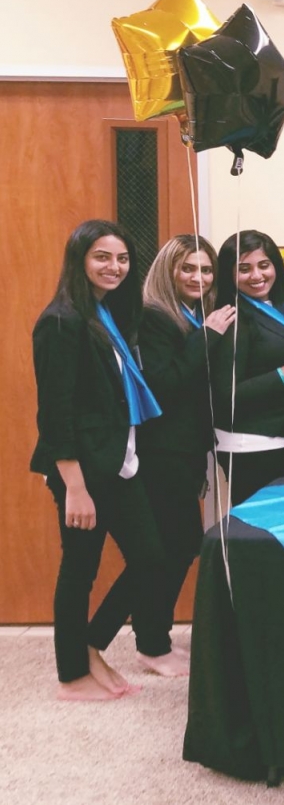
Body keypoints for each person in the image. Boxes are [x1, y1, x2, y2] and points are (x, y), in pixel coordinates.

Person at [30, 220, 176, 699]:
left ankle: (90, 644)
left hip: (119, 462)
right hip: (84, 471)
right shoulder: (61, 321)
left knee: (153, 559)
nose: (114, 267)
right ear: (80, 260)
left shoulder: (106, 315)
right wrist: (74, 485)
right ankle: (72, 676)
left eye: (122, 259)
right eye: (102, 257)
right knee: (79, 570)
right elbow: (55, 413)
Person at [83, 234, 236, 676]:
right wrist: (207, 336)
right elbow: (166, 383)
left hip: (184, 452)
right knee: (168, 549)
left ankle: (151, 640)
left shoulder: (192, 316)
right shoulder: (154, 317)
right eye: (188, 268)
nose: (198, 277)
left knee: (176, 547)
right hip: (159, 452)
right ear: (168, 270)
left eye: (206, 270)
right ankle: (129, 641)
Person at [212, 230, 284, 504]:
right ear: (228, 273)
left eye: (264, 265)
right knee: (257, 537)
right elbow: (229, 394)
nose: (257, 276)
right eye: (244, 269)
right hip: (251, 444)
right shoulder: (232, 319)